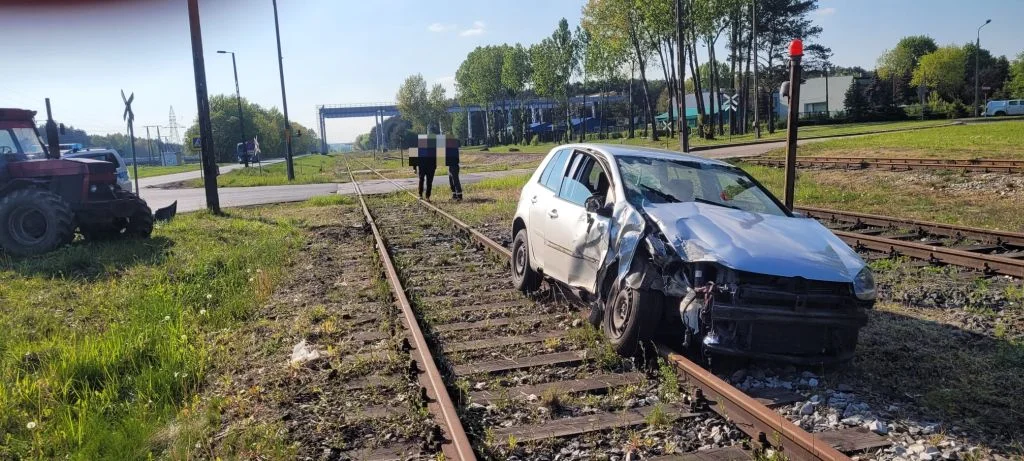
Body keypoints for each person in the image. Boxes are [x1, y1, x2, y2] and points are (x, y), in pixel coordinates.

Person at [416, 134, 437, 200]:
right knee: (427, 181)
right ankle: (425, 196)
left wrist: (414, 168)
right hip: (428, 166)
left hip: (425, 166)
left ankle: (423, 195)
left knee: (423, 180)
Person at [445, 136, 463, 201]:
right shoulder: (451, 148)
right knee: (451, 182)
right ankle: (454, 195)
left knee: (455, 181)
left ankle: (459, 196)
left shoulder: (453, 149)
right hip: (451, 166)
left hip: (454, 166)